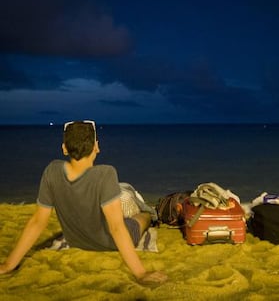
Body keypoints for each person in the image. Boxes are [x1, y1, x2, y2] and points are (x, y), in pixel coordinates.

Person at [0, 120, 167, 285]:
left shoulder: (52, 171)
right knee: (142, 216)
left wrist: (8, 265)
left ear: (64, 148)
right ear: (96, 147)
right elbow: (116, 228)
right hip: (110, 242)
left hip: (77, 241)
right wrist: (140, 273)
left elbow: (37, 222)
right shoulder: (105, 173)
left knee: (120, 194)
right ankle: (151, 214)